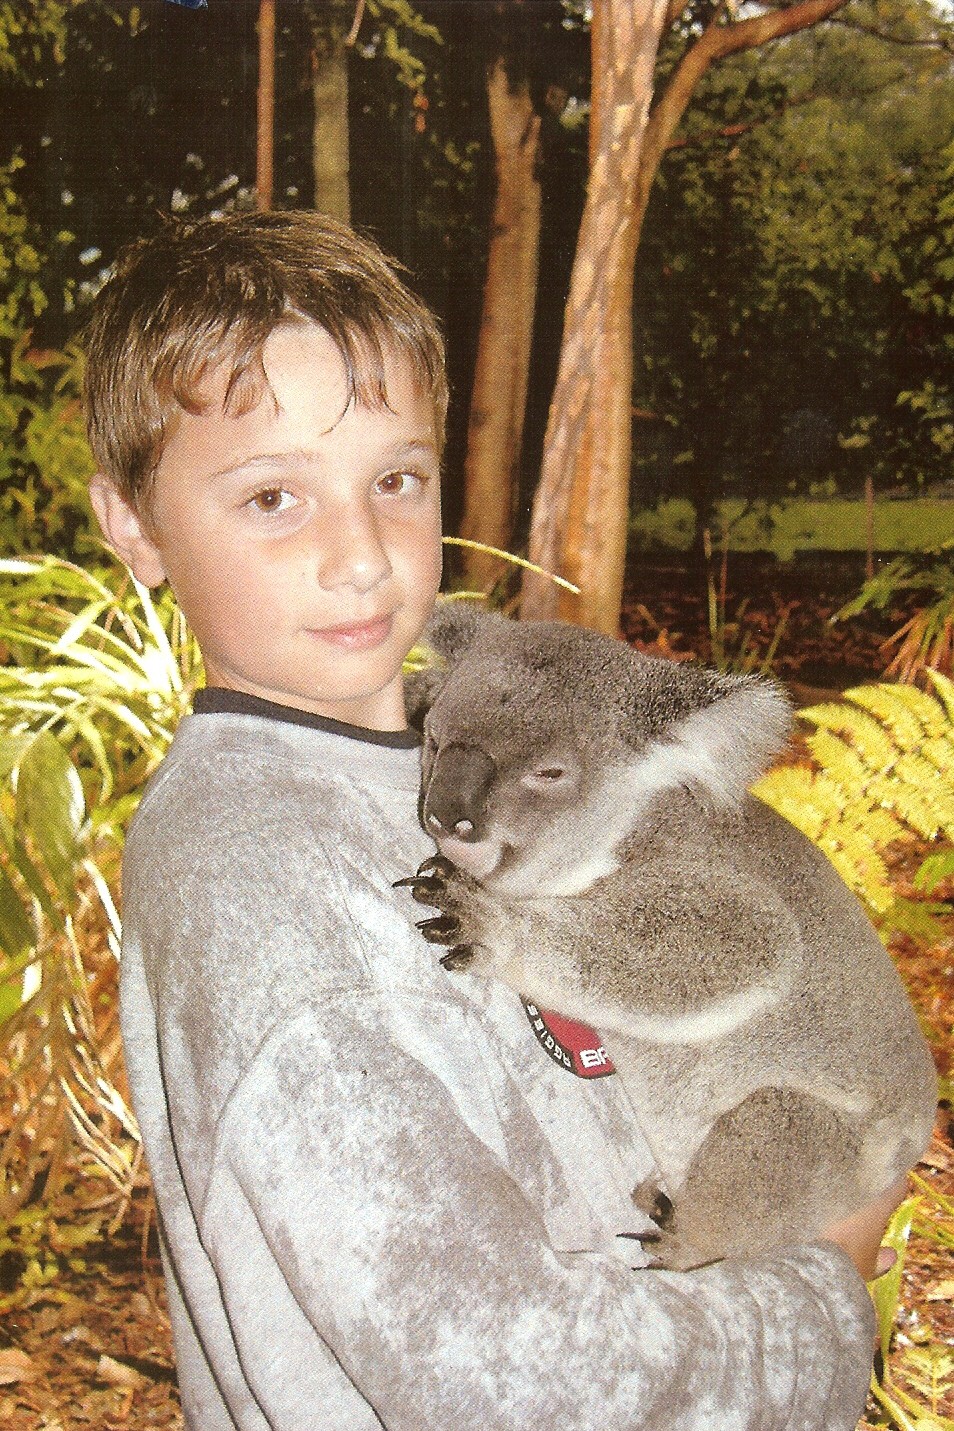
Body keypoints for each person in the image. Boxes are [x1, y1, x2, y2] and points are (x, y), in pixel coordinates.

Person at [84, 210, 899, 1431]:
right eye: (272, 499)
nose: (360, 557)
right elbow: (506, 1380)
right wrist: (825, 1298)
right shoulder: (254, 880)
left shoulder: (411, 753)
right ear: (133, 526)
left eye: (396, 481)